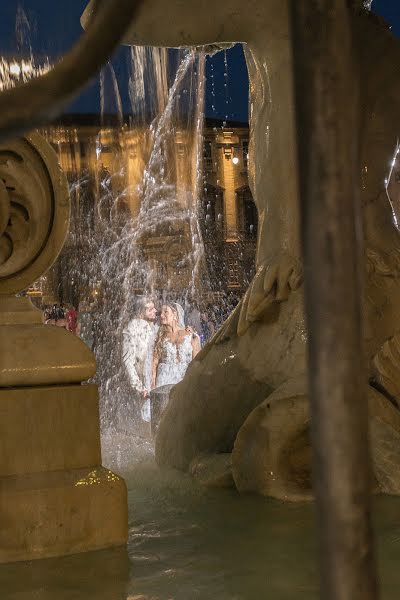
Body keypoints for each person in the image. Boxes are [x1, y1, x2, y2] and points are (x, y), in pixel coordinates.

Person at [122, 297, 158, 422]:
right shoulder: (132, 328)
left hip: (155, 380)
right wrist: (140, 387)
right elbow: (128, 361)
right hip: (143, 384)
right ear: (141, 312)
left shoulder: (153, 326)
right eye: (151, 309)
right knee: (144, 420)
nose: (155, 311)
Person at [152, 302, 200, 389]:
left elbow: (196, 362)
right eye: (161, 312)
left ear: (175, 314)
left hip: (184, 379)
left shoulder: (191, 335)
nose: (161, 315)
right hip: (163, 380)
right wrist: (153, 386)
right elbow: (154, 363)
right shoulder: (159, 336)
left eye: (165, 312)